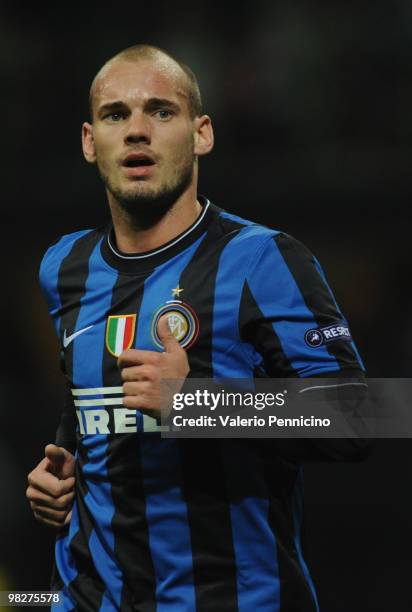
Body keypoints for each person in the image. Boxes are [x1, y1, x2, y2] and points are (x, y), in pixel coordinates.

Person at [26, 44, 368, 611]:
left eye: (161, 111)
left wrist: (198, 405)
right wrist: (62, 468)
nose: (137, 131)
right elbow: (89, 392)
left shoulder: (264, 259)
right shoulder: (64, 267)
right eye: (116, 115)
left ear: (201, 133)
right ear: (91, 142)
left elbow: (360, 417)